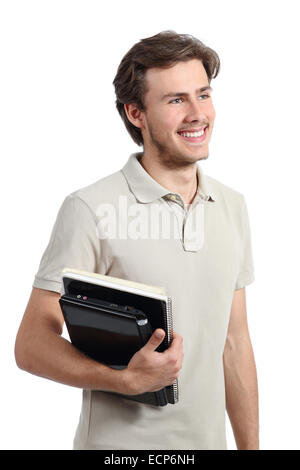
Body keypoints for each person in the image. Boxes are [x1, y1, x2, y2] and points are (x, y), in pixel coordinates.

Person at [15, 30, 259, 450]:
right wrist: (122, 380)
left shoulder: (231, 206)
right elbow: (31, 345)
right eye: (176, 100)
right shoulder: (90, 208)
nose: (197, 114)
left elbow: (234, 344)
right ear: (135, 113)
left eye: (203, 94)